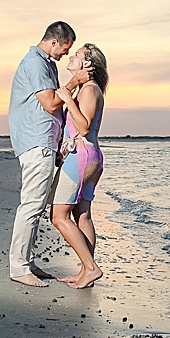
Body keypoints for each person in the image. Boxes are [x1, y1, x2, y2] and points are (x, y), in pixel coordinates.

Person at [7, 21, 92, 287]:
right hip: (36, 142)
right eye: (66, 48)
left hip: (44, 143)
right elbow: (50, 103)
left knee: (36, 206)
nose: (67, 54)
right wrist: (75, 81)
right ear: (54, 41)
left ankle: (27, 263)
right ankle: (19, 268)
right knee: (31, 206)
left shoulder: (46, 65)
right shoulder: (35, 63)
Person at [50, 43, 109, 289]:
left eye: (77, 55)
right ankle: (87, 270)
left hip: (82, 157)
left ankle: (92, 268)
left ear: (87, 64)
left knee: (59, 216)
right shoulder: (89, 89)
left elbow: (83, 128)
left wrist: (66, 98)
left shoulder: (89, 90)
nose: (71, 57)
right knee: (82, 214)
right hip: (90, 156)